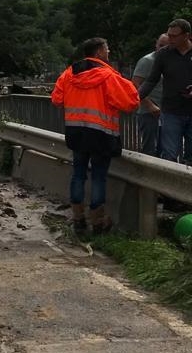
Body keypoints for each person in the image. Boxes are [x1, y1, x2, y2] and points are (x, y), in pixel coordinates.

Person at [51, 38, 140, 235]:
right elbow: (131, 102)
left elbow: (57, 99)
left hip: (76, 132)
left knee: (78, 175)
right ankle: (98, 222)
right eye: (107, 49)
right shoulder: (108, 76)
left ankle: (78, 219)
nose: (109, 52)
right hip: (101, 134)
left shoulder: (68, 74)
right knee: (99, 177)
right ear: (99, 52)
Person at [137, 18, 192, 162]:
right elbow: (151, 80)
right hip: (170, 111)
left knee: (190, 156)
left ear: (186, 36)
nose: (170, 39)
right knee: (169, 155)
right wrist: (135, 97)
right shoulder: (163, 54)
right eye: (169, 35)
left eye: (174, 36)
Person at [131, 33, 169, 156]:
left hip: (167, 112)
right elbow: (135, 85)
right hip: (149, 113)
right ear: (156, 44)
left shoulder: (170, 61)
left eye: (166, 46)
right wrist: (149, 105)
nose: (163, 48)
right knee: (150, 149)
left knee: (165, 148)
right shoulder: (147, 61)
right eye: (161, 45)